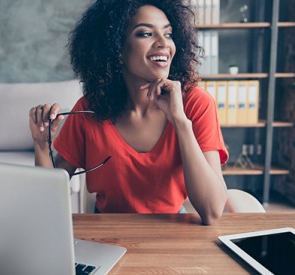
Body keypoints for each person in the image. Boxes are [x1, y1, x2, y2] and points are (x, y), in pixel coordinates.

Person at [29, 0, 228, 224]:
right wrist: (41, 145)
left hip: (172, 232)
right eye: (145, 34)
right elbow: (48, 198)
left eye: (169, 34)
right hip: (107, 232)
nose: (164, 44)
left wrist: (180, 122)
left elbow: (212, 212)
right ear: (117, 49)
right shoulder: (89, 109)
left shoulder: (195, 104)